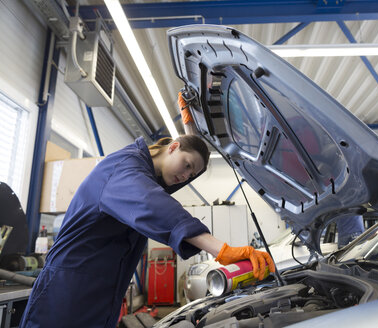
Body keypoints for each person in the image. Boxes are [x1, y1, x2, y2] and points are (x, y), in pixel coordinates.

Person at [20, 100, 274, 328]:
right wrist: (222, 249)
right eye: (187, 167)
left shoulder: (155, 172)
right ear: (173, 147)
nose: (186, 177)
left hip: (98, 294)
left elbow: (185, 160)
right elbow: (156, 206)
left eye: (192, 175)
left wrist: (190, 127)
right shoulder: (125, 169)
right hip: (65, 293)